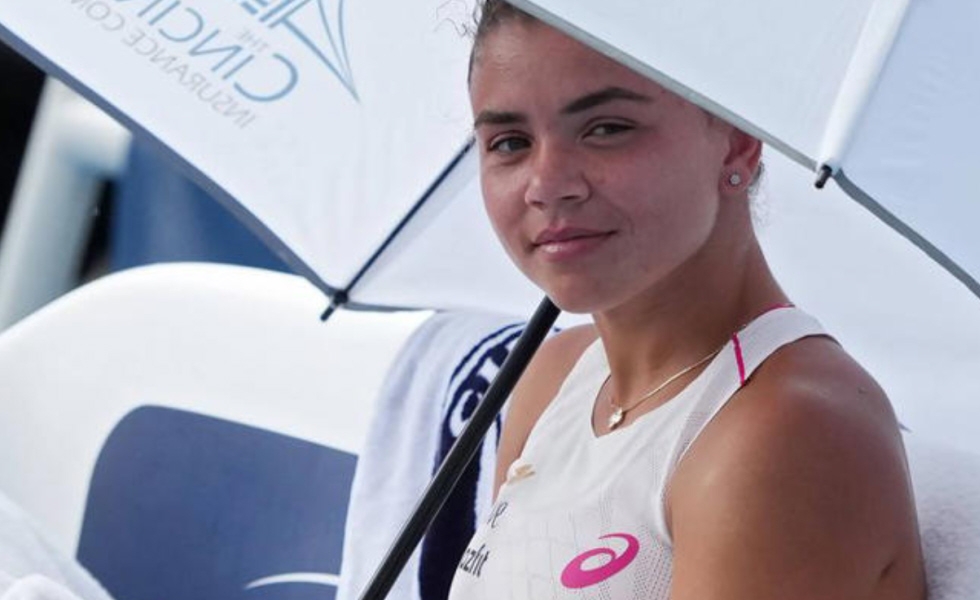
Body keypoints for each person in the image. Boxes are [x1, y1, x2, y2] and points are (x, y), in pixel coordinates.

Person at [448, 1, 927, 599]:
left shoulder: (783, 429)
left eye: (606, 129)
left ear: (737, 141)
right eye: (509, 142)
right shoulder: (556, 374)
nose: (547, 186)